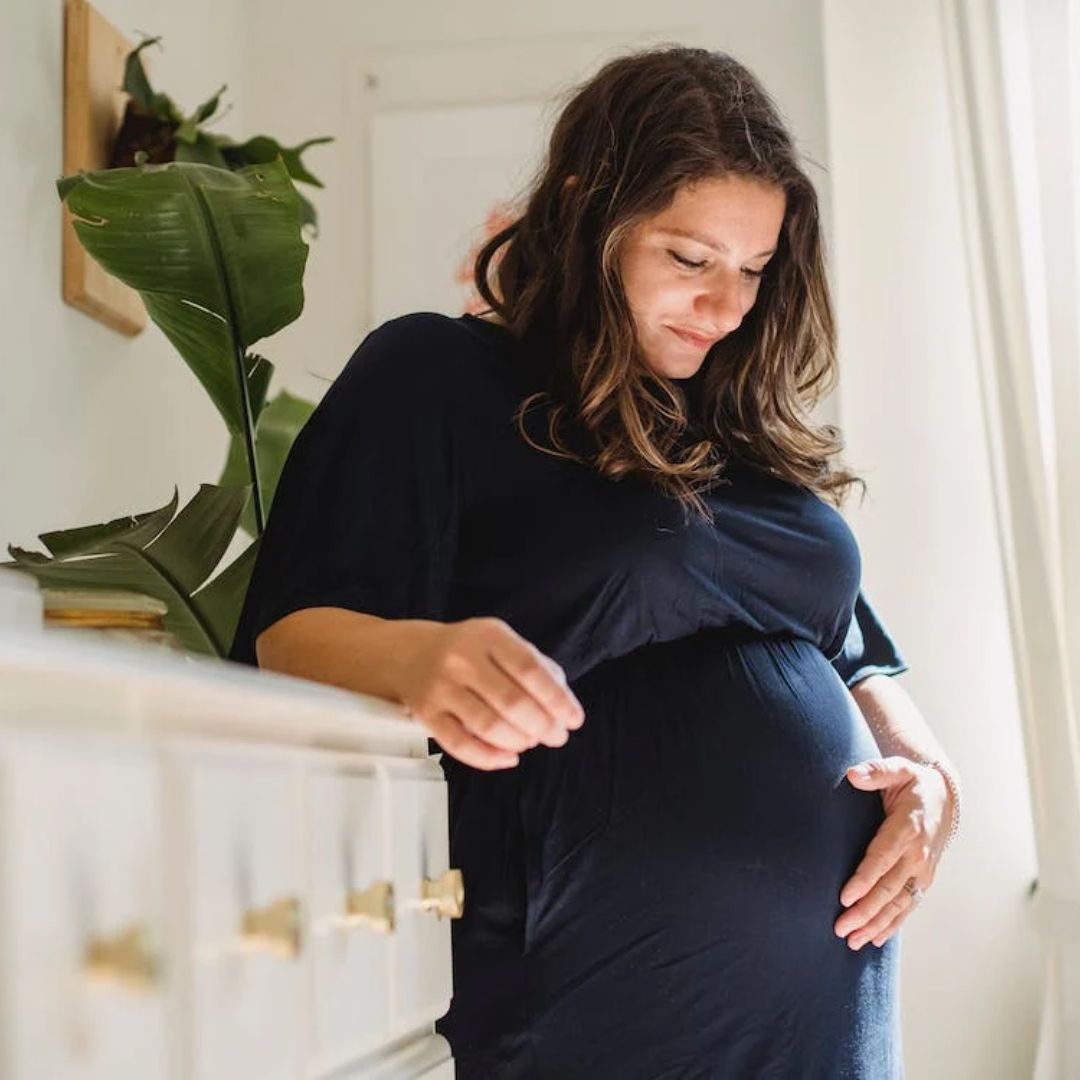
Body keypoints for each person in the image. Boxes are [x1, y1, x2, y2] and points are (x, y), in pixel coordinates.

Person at [229, 45, 961, 1079]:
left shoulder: (735, 428)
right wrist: (416, 659)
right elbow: (289, 634)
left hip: (827, 1013)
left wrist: (932, 778)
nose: (726, 306)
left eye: (754, 270)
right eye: (690, 258)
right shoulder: (439, 381)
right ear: (586, 214)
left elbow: (852, 644)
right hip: (594, 1001)